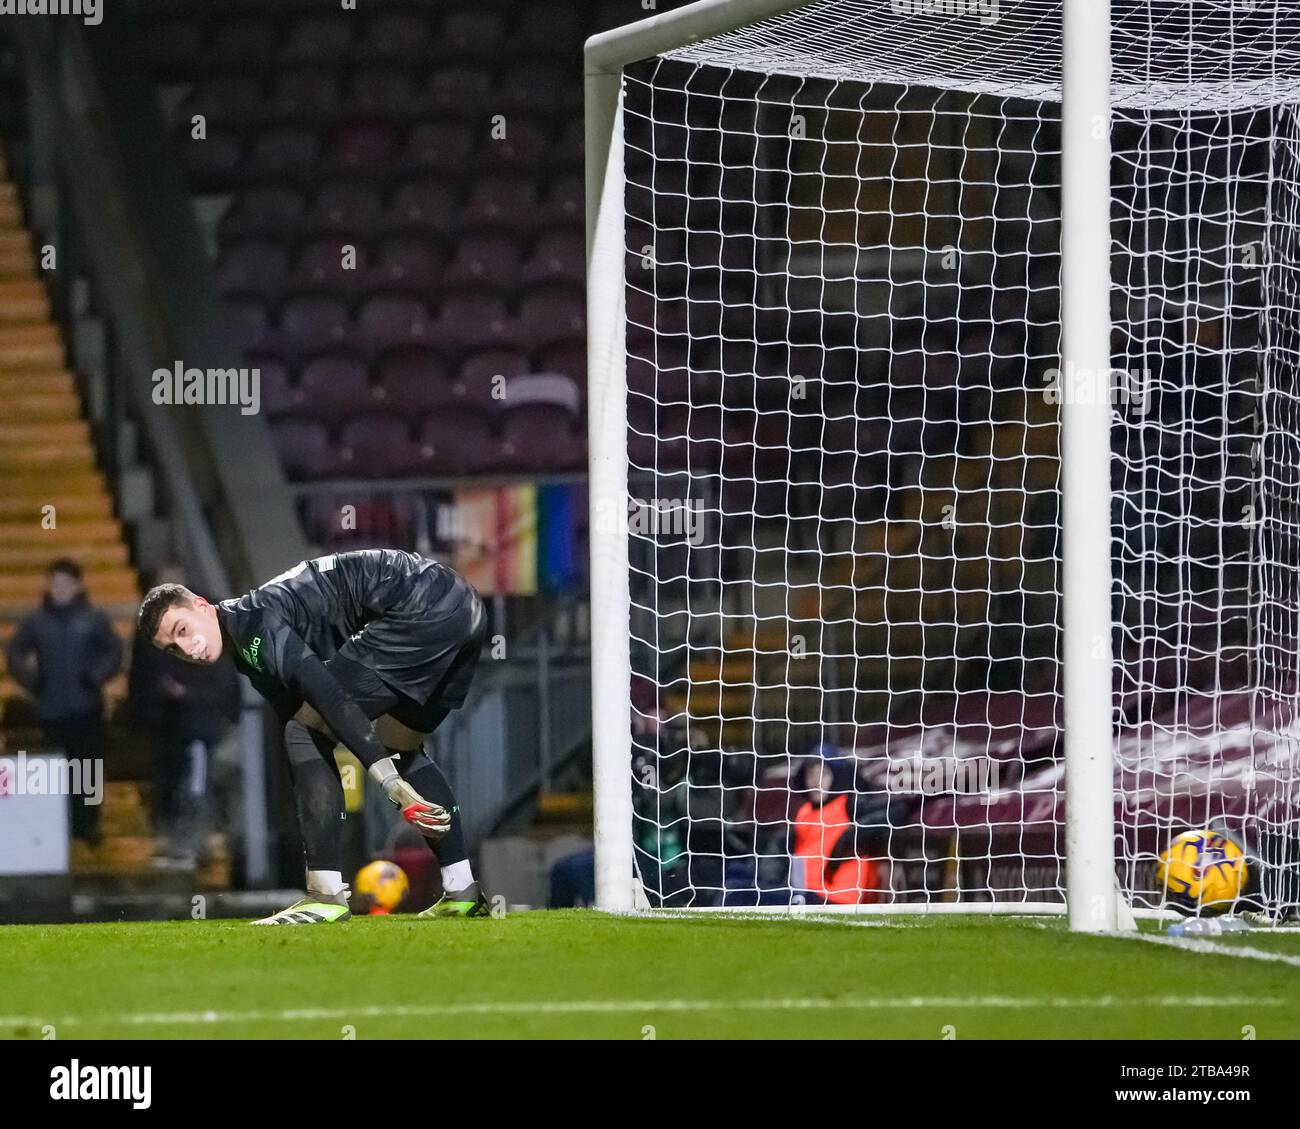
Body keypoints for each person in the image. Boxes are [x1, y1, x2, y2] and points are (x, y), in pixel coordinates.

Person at [136, 549, 489, 924]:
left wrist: (386, 779)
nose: (188, 649)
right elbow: (310, 726)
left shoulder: (255, 624)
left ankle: (325, 895)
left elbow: (327, 698)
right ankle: (462, 889)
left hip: (420, 607)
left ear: (203, 606)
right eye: (173, 649)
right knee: (397, 743)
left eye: (183, 630)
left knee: (306, 729)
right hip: (463, 608)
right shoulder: (247, 644)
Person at [5, 558, 123, 847]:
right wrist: (33, 682)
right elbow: (15, 652)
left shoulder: (93, 618)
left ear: (77, 586)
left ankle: (89, 823)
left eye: (65, 584)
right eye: (55, 583)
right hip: (52, 709)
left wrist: (94, 677)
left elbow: (114, 651)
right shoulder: (37, 621)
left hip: (87, 708)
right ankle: (60, 823)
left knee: (89, 769)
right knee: (57, 770)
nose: (59, 590)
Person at [129, 564, 240, 867]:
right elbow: (142, 675)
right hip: (168, 724)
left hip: (199, 724)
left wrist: (189, 695)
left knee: (196, 785)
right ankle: (177, 844)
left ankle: (190, 845)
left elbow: (221, 678)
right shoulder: (148, 629)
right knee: (172, 784)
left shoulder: (205, 627)